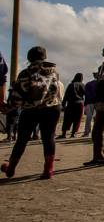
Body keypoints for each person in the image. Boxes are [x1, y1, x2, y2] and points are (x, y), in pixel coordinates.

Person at [1, 46, 61, 179]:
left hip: (32, 109)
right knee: (48, 138)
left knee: (22, 139)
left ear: (29, 59)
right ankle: (48, 171)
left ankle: (11, 168)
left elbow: (18, 97)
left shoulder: (26, 73)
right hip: (53, 108)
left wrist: (6, 108)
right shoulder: (54, 72)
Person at [57, 73, 85, 138]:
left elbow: (66, 95)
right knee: (77, 119)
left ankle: (64, 133)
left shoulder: (72, 85)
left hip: (71, 103)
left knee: (67, 119)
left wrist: (63, 104)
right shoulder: (83, 85)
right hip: (80, 104)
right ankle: (73, 133)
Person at [82, 72, 98, 138]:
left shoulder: (88, 84)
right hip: (99, 102)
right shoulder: (100, 83)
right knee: (98, 117)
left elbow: (87, 94)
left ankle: (87, 132)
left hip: (90, 102)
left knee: (89, 117)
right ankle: (97, 131)